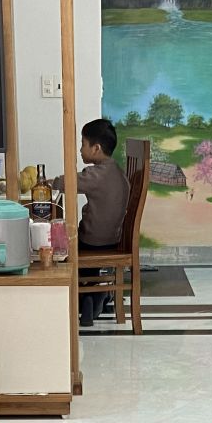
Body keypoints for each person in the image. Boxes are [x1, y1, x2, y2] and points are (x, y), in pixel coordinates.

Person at [74, 117, 130, 327]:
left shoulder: (95, 175)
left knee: (67, 245)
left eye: (83, 144)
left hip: (93, 241)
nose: (80, 150)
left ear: (96, 148)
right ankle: (97, 293)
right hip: (113, 238)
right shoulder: (117, 171)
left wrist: (49, 182)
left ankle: (89, 296)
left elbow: (68, 182)